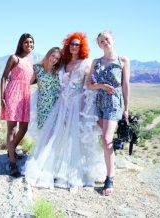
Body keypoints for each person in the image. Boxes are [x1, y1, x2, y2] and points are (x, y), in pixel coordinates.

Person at [24, 32, 105, 189]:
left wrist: (87, 106)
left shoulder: (86, 63)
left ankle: (76, 172)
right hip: (62, 104)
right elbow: (45, 73)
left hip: (77, 105)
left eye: (77, 44)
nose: (74, 47)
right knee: (57, 135)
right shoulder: (64, 64)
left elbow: (89, 85)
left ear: (82, 47)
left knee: (75, 138)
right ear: (68, 46)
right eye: (72, 44)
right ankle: (53, 168)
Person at [86, 30, 130, 195]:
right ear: (98, 45)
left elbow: (125, 85)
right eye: (101, 41)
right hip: (98, 103)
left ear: (113, 40)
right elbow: (89, 84)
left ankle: (109, 178)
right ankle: (109, 166)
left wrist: (126, 108)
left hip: (113, 103)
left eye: (107, 38)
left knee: (106, 138)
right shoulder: (95, 62)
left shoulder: (123, 60)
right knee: (105, 140)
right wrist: (101, 86)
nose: (104, 42)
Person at [0, 33, 35, 177]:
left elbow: (30, 80)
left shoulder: (31, 60)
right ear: (21, 43)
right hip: (13, 93)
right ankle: (12, 163)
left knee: (24, 127)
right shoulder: (14, 58)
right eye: (26, 42)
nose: (29, 45)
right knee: (12, 128)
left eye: (31, 42)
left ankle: (11, 149)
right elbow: (4, 77)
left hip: (25, 96)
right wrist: (2, 97)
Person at [32, 47, 63, 129]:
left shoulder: (57, 71)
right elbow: (28, 81)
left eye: (57, 58)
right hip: (42, 103)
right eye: (53, 56)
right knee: (42, 129)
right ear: (48, 54)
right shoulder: (37, 68)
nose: (54, 59)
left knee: (52, 130)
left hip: (55, 104)